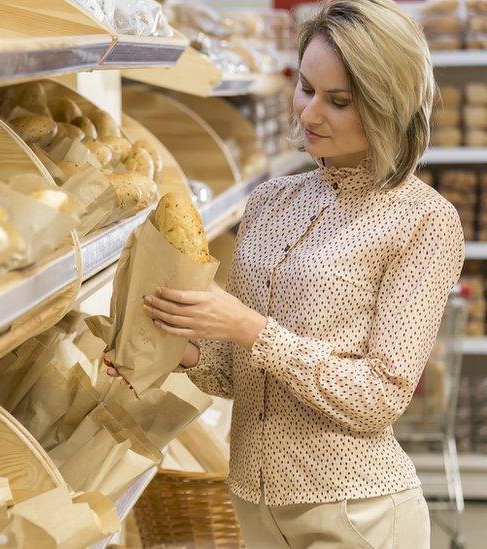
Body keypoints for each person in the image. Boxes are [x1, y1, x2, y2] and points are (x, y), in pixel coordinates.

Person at [109, 1, 465, 546]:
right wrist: (176, 352)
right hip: (254, 504)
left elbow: (381, 398)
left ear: (387, 105)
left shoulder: (424, 220)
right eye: (305, 88)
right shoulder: (271, 201)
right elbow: (237, 373)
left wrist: (249, 327)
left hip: (357, 512)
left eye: (338, 101)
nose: (308, 114)